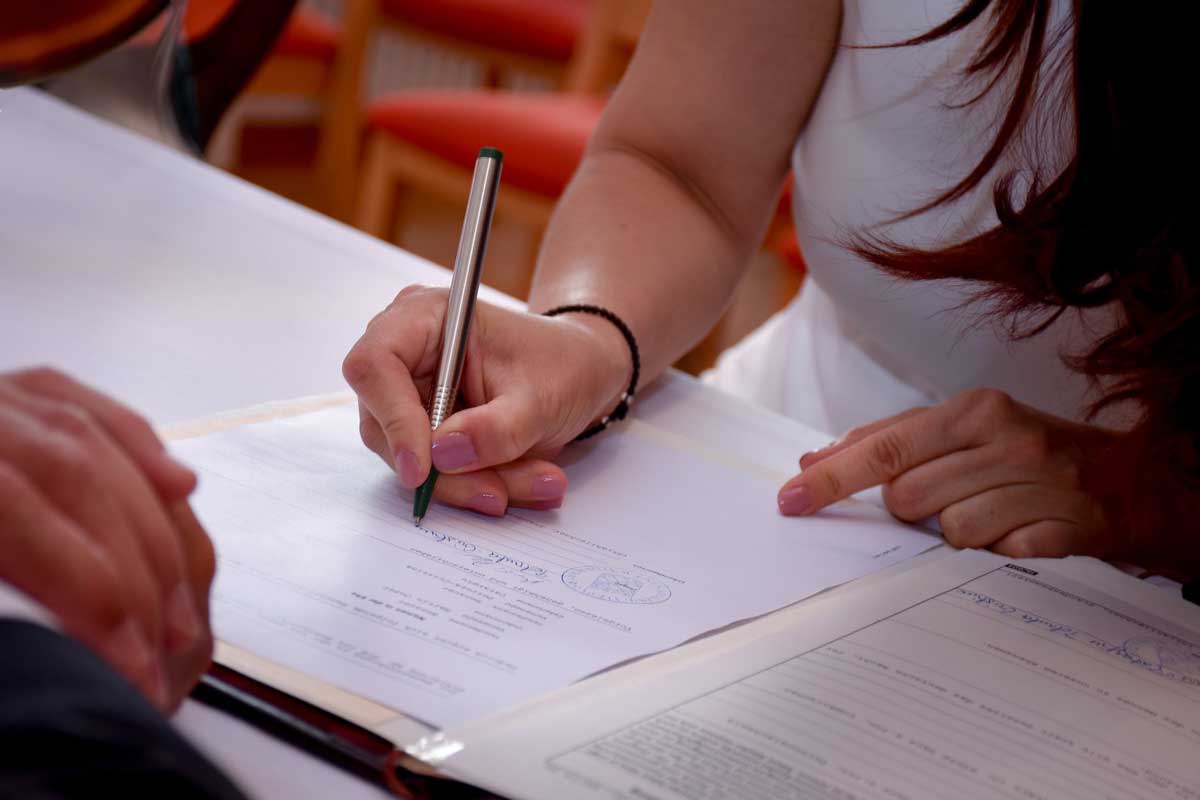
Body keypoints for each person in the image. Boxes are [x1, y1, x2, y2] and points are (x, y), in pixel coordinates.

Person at [344, 0, 1199, 572]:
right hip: (773, 476)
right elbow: (679, 163)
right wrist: (585, 335)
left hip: (1129, 601)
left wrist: (1157, 498)